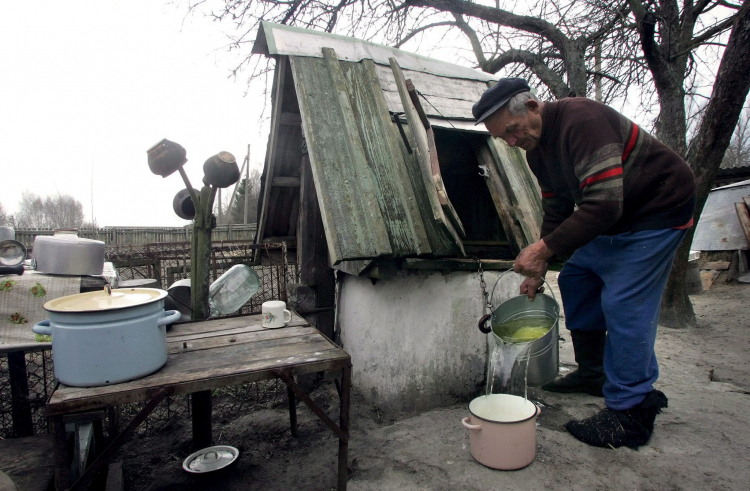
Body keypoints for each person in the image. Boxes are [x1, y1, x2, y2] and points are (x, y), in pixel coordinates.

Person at [472, 78, 696, 449]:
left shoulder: (582, 120)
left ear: (532, 106)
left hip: (659, 208)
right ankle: (594, 374)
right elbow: (557, 209)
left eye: (511, 131)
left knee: (624, 301)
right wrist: (540, 268)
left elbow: (605, 202)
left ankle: (631, 412)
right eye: (502, 139)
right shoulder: (537, 152)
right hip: (618, 217)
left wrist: (542, 249)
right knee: (577, 276)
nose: (511, 142)